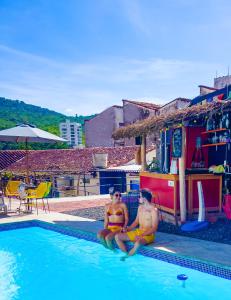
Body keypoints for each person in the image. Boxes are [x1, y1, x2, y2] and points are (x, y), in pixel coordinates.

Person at [115, 189, 158, 260]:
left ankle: (127, 257)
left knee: (137, 243)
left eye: (140, 196)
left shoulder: (153, 210)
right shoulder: (140, 207)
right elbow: (136, 222)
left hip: (148, 235)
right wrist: (128, 229)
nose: (138, 198)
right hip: (139, 232)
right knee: (117, 237)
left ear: (144, 198)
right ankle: (125, 253)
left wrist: (142, 235)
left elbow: (154, 228)